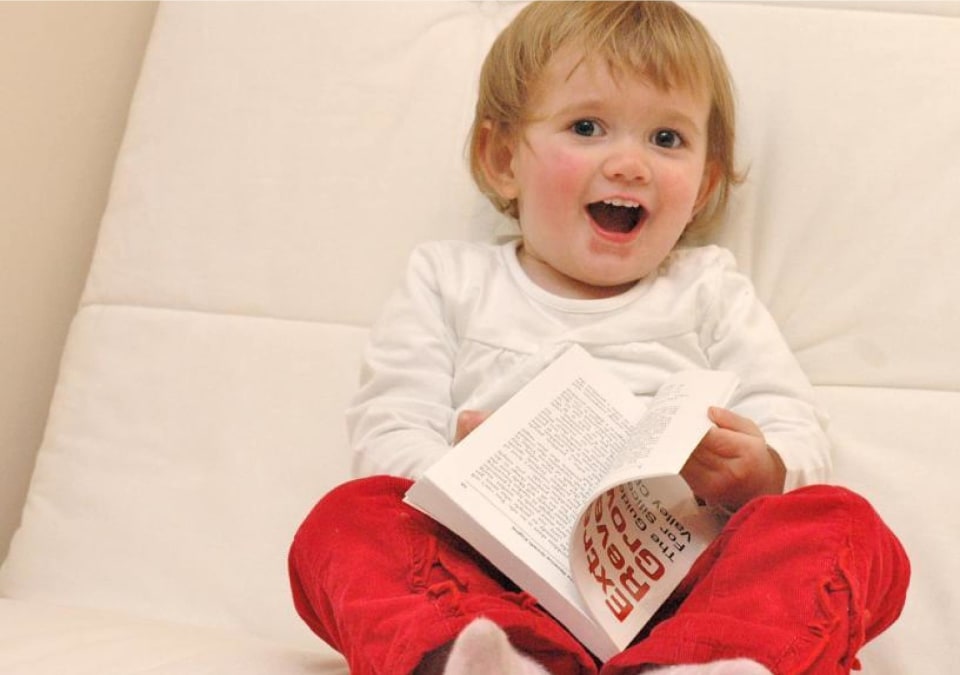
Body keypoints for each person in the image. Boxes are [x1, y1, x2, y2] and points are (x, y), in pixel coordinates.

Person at [288, 3, 910, 674]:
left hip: (686, 592)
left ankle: (708, 662)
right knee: (347, 520)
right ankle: (495, 660)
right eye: (587, 127)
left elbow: (795, 424)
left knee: (841, 523)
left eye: (666, 139)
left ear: (702, 185)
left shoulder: (710, 289)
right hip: (492, 580)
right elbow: (387, 428)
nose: (629, 164)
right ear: (503, 158)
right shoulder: (449, 279)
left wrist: (760, 468)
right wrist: (465, 476)